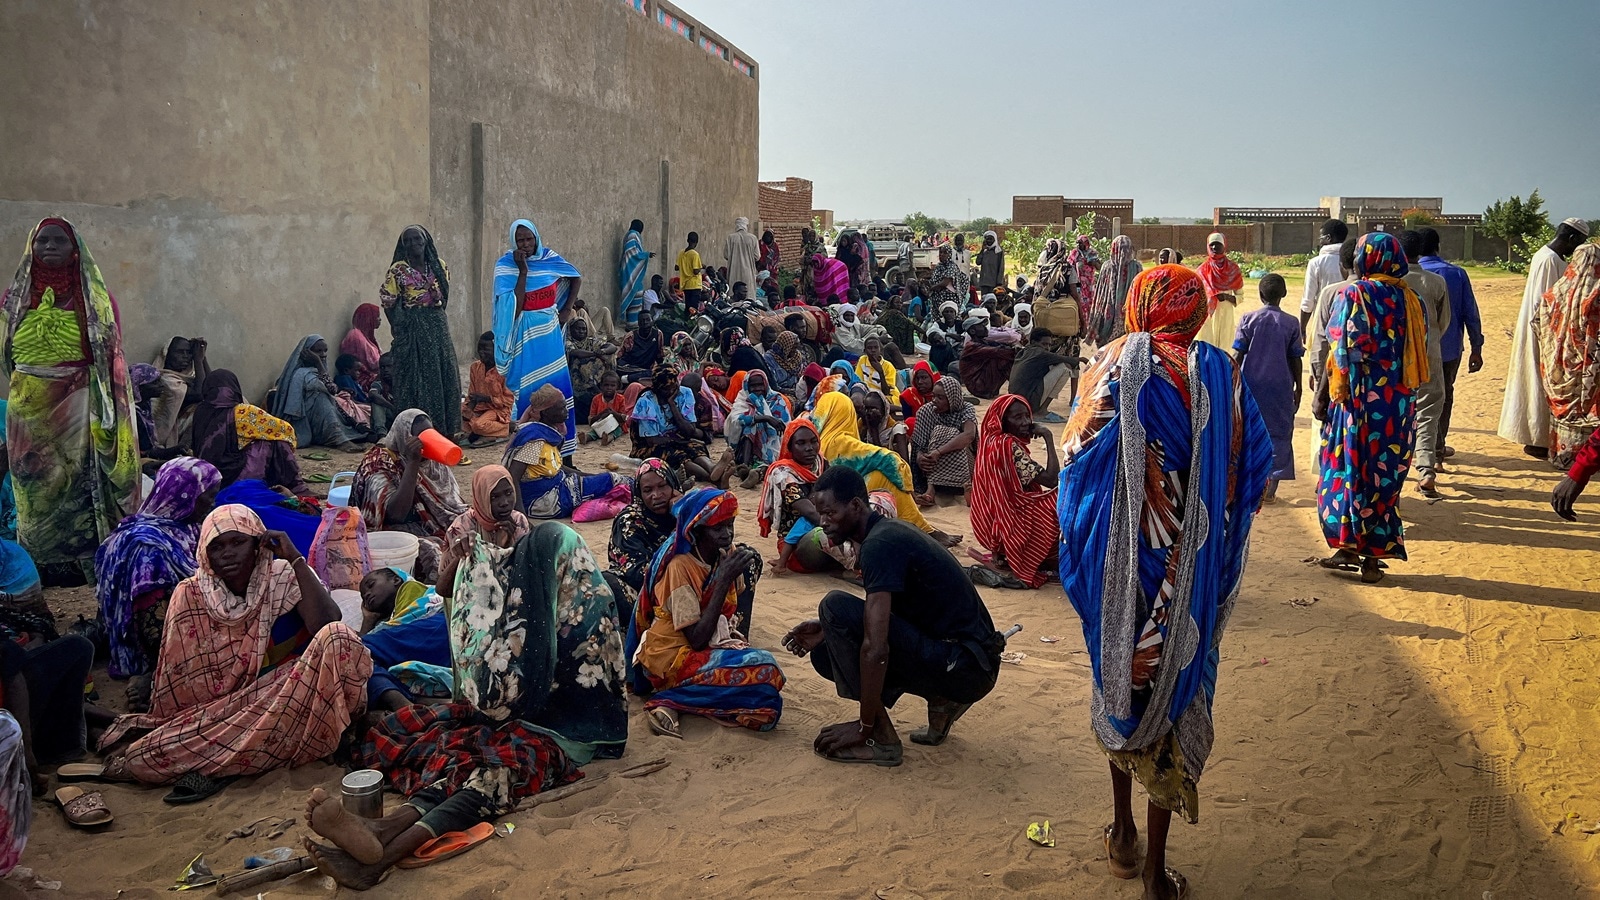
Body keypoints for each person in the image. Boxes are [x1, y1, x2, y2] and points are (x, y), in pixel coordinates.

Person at [1057, 264, 1271, 900]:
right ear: (1197, 310)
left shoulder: (1109, 363)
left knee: (1120, 684)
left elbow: (1072, 457)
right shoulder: (1219, 373)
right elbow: (1250, 473)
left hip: (1121, 566)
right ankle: (1154, 875)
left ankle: (1122, 834)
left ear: (1140, 303)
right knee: (1171, 699)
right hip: (1185, 563)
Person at [305, 520, 627, 889]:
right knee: (465, 755)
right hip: (531, 715)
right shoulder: (553, 593)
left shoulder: (592, 607)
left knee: (497, 773)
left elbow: (569, 689)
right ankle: (384, 828)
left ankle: (378, 861)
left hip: (574, 732)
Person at [96, 505, 371, 787]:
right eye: (217, 546)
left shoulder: (281, 575)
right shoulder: (189, 595)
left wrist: (295, 558)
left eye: (238, 542)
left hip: (281, 694)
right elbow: (183, 691)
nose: (228, 553)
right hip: (221, 714)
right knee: (147, 755)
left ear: (257, 545)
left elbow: (326, 622)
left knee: (339, 637)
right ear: (205, 553)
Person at [782, 466, 1003, 767]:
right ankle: (943, 702)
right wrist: (830, 630)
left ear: (856, 506)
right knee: (827, 649)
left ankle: (881, 739)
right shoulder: (887, 533)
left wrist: (864, 727)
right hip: (973, 662)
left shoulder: (879, 545)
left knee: (834, 605)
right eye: (821, 515)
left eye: (830, 514)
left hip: (965, 666)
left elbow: (876, 648)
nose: (823, 523)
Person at [1, 217, 140, 586]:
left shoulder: (96, 301)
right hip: (26, 407)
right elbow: (7, 356)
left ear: (75, 249)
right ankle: (39, 561)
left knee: (73, 481)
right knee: (33, 483)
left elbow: (110, 355)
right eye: (42, 241)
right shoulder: (14, 300)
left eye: (58, 241)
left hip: (76, 405)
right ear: (32, 247)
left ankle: (79, 560)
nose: (49, 247)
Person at [1313, 233, 1431, 583]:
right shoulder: (1413, 300)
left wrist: (1323, 394)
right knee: (1383, 478)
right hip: (1397, 406)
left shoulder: (1354, 294)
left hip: (1359, 402)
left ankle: (1348, 543)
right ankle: (1369, 559)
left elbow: (1341, 351)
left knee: (1349, 471)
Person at [628, 488, 783, 737]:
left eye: (730, 525)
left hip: (709, 643)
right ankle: (667, 700)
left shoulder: (725, 554)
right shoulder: (680, 567)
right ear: (697, 530)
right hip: (672, 655)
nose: (727, 534)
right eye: (718, 528)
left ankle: (679, 702)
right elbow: (696, 640)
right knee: (765, 669)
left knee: (767, 694)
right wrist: (722, 581)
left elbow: (729, 611)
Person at [94, 458, 221, 710]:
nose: (212, 502)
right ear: (186, 495)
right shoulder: (148, 547)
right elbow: (149, 619)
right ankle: (154, 677)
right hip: (152, 643)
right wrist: (163, 666)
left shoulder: (182, 527)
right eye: (208, 495)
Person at [813, 392, 957, 546]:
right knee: (883, 475)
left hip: (828, 501)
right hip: (843, 503)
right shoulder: (840, 440)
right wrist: (908, 485)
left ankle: (919, 525)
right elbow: (889, 459)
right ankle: (921, 528)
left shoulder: (818, 440)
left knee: (878, 473)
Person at [1500, 218, 1591, 459]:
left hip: (1539, 328)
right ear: (1571, 239)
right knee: (1542, 383)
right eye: (1578, 243)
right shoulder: (1551, 260)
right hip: (1543, 331)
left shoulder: (1545, 255)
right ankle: (1538, 439)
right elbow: (1549, 302)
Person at [494, 219, 583, 460]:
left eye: (529, 239)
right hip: (526, 334)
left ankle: (566, 455)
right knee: (530, 392)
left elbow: (575, 276)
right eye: (520, 240)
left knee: (559, 389)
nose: (525, 244)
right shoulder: (506, 266)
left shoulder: (549, 258)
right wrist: (522, 270)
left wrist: (566, 309)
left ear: (536, 238)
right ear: (514, 241)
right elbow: (515, 306)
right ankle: (531, 454)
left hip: (550, 332)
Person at [354, 410, 468, 583]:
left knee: (470, 534)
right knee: (433, 552)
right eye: (418, 437)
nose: (423, 442)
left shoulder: (432, 461)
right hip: (391, 533)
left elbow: (451, 505)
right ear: (404, 436)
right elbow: (395, 514)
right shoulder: (379, 462)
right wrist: (412, 464)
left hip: (430, 524)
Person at [968, 394, 1060, 589]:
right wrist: (1048, 437)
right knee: (1062, 499)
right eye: (1017, 417)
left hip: (988, 522)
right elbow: (1052, 480)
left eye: (1027, 416)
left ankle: (1003, 554)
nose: (1026, 422)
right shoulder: (1008, 446)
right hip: (1010, 522)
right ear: (1002, 421)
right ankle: (1031, 555)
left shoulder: (990, 441)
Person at [380, 225, 460, 437]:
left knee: (444, 371)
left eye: (418, 239)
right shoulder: (398, 270)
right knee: (414, 376)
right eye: (408, 240)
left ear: (426, 242)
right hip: (411, 327)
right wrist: (402, 326)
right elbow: (388, 302)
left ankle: (446, 430)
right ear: (403, 244)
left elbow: (444, 297)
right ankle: (415, 431)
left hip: (437, 325)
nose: (414, 244)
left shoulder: (439, 266)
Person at [505, 385, 629, 519]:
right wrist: (521, 518)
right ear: (546, 412)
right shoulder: (535, 440)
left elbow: (559, 468)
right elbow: (513, 477)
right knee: (614, 480)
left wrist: (589, 476)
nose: (566, 411)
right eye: (562, 408)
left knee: (607, 482)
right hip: (544, 502)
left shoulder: (545, 434)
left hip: (554, 491)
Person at [1233, 273, 1303, 500]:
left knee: (1249, 430)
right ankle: (1270, 490)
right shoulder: (1292, 323)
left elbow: (1238, 353)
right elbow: (1296, 359)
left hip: (1251, 386)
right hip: (1281, 387)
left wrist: (1230, 380)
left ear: (1260, 294)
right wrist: (1299, 387)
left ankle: (1251, 485)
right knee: (1279, 433)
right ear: (1284, 294)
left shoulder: (1248, 319)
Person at [1417, 227, 1484, 458]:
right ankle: (1437, 445)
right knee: (1443, 396)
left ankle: (1416, 446)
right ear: (1438, 246)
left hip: (1411, 350)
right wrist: (1477, 347)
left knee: (1413, 397)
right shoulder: (1456, 274)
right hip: (1448, 349)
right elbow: (1470, 313)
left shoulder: (1406, 275)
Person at [191, 370, 308, 494]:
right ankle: (295, 485)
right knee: (275, 440)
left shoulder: (200, 410)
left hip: (205, 475)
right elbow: (286, 430)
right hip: (231, 478)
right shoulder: (242, 412)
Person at [1534, 242, 1600, 465]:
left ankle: (1560, 456)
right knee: (1588, 410)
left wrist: (1556, 343)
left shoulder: (1556, 291)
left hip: (1558, 365)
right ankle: (1585, 462)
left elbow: (1536, 321)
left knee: (1563, 409)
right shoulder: (1597, 294)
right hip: (1589, 367)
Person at [1399, 230, 1452, 496]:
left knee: (1396, 417)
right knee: (1428, 414)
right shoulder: (1435, 282)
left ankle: (1395, 474)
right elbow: (1443, 322)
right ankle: (1426, 470)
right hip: (1429, 355)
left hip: (1397, 359)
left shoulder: (1392, 282)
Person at [629, 365, 728, 485]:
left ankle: (712, 469)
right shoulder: (646, 401)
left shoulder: (684, 393)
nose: (672, 391)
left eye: (674, 386)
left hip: (677, 439)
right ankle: (712, 479)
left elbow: (689, 430)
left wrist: (673, 406)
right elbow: (652, 440)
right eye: (667, 389)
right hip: (648, 446)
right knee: (677, 455)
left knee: (695, 447)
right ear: (657, 389)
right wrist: (679, 441)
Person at [269, 335, 363, 452]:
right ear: (307, 353)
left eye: (325, 351)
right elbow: (330, 389)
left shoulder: (316, 372)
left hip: (319, 416)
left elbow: (333, 390)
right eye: (318, 351)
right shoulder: (301, 374)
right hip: (302, 418)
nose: (323, 354)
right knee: (321, 398)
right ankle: (337, 439)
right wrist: (319, 363)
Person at [911, 376, 977, 504]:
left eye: (940, 398)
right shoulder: (926, 411)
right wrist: (920, 457)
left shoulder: (965, 408)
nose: (934, 401)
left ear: (952, 399)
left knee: (946, 433)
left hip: (962, 463)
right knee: (936, 438)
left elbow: (969, 434)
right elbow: (918, 444)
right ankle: (931, 489)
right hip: (932, 465)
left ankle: (967, 490)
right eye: (933, 396)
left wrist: (939, 451)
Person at [1007, 327, 1078, 424]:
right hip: (1027, 401)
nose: (1047, 348)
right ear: (1033, 342)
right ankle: (1041, 411)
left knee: (1056, 366)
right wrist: (1082, 360)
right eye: (1044, 344)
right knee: (1064, 368)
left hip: (1015, 402)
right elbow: (1069, 361)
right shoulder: (1039, 352)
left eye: (1049, 345)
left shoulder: (1025, 351)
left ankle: (1040, 409)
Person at [726, 369, 791, 474]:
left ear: (766, 383)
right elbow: (737, 420)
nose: (758, 389)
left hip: (774, 444)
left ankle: (756, 470)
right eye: (753, 386)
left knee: (754, 422)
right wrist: (766, 418)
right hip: (744, 446)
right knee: (751, 424)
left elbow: (785, 426)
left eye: (760, 385)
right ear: (747, 386)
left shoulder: (776, 399)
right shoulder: (743, 398)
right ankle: (745, 465)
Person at [152, 336, 209, 450]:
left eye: (188, 353)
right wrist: (198, 360)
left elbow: (213, 388)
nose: (185, 357)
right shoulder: (166, 380)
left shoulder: (187, 378)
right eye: (179, 352)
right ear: (167, 355)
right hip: (160, 435)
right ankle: (184, 448)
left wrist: (202, 357)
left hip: (179, 427)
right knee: (203, 410)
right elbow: (200, 394)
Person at [1299, 219, 1351, 338]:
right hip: (1349, 319)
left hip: (1324, 320)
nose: (1320, 241)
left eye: (1321, 237)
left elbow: (1308, 300)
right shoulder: (1353, 259)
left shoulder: (1316, 263)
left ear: (1328, 238)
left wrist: (1302, 328)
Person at [462, 331, 514, 446]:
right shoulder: (475, 367)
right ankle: (485, 432)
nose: (481, 352)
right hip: (479, 409)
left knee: (478, 425)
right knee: (457, 416)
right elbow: (472, 394)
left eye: (486, 349)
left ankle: (505, 428)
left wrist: (487, 399)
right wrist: (467, 411)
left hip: (497, 411)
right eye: (479, 349)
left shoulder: (503, 371)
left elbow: (509, 400)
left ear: (496, 351)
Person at [1194, 232, 1243, 351]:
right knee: (1207, 348)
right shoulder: (1202, 270)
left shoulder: (1233, 269)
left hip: (1226, 313)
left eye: (1218, 244)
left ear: (1224, 246)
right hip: (1207, 316)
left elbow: (1240, 296)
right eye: (1212, 245)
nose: (1215, 248)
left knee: (1225, 348)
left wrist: (1226, 297)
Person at [564, 317, 617, 425]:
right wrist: (595, 354)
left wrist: (603, 351)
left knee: (608, 356)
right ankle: (594, 388)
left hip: (594, 377)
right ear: (571, 329)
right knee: (582, 361)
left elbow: (612, 347)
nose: (581, 331)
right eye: (578, 328)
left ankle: (604, 384)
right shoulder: (567, 342)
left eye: (584, 329)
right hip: (577, 380)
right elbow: (575, 353)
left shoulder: (591, 341)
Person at [1094, 235, 1142, 346]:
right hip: (1129, 311)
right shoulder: (1136, 267)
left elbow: (1099, 291)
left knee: (1106, 346)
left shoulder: (1107, 266)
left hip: (1107, 311)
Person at [958, 318, 1017, 400]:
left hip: (983, 382)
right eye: (981, 326)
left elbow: (1002, 348)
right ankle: (1017, 389)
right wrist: (1018, 352)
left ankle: (1016, 388)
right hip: (977, 386)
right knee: (1001, 360)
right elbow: (997, 351)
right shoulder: (971, 346)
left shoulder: (984, 342)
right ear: (972, 331)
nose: (985, 328)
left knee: (1004, 357)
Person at [340, 303, 383, 390]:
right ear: (368, 318)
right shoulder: (355, 336)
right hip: (362, 381)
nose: (380, 319)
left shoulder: (368, 337)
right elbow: (364, 365)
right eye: (377, 316)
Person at [616, 308, 666, 383]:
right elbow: (620, 356)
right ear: (638, 323)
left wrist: (662, 368)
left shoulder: (658, 334)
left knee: (660, 372)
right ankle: (627, 378)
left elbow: (659, 355)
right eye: (642, 321)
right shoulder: (631, 336)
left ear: (652, 321)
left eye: (647, 320)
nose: (645, 323)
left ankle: (628, 379)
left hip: (646, 369)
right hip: (630, 367)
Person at [618, 219, 652, 326]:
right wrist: (646, 255)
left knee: (635, 295)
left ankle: (634, 323)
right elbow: (632, 254)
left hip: (631, 271)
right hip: (630, 272)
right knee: (634, 293)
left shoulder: (631, 235)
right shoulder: (633, 235)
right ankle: (632, 324)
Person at [1069, 234, 1102, 328]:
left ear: (1086, 243)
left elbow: (1099, 267)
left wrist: (1092, 261)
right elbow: (1069, 264)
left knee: (1090, 304)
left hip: (1089, 284)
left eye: (1081, 243)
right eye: (1078, 243)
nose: (1079, 245)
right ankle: (1081, 324)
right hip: (1077, 283)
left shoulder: (1092, 253)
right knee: (1080, 303)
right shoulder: (1074, 253)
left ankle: (1090, 324)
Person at [724, 218, 759, 291]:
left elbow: (726, 255)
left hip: (734, 272)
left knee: (734, 293)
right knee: (748, 293)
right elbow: (757, 256)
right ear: (746, 225)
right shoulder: (753, 238)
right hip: (748, 272)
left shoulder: (730, 238)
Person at [675, 233, 706, 314]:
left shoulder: (681, 253)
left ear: (687, 240)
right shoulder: (695, 254)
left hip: (685, 284)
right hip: (695, 284)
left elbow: (676, 267)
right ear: (696, 242)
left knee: (688, 307)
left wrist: (684, 266)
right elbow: (695, 271)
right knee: (694, 309)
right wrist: (701, 266)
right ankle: (691, 324)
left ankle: (686, 323)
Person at [976, 230, 1005, 294]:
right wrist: (982, 250)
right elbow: (978, 262)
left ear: (995, 240)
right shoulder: (984, 251)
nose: (989, 241)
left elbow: (1001, 267)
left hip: (994, 282)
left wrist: (999, 282)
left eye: (991, 239)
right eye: (987, 239)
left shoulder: (998, 252)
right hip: (984, 282)